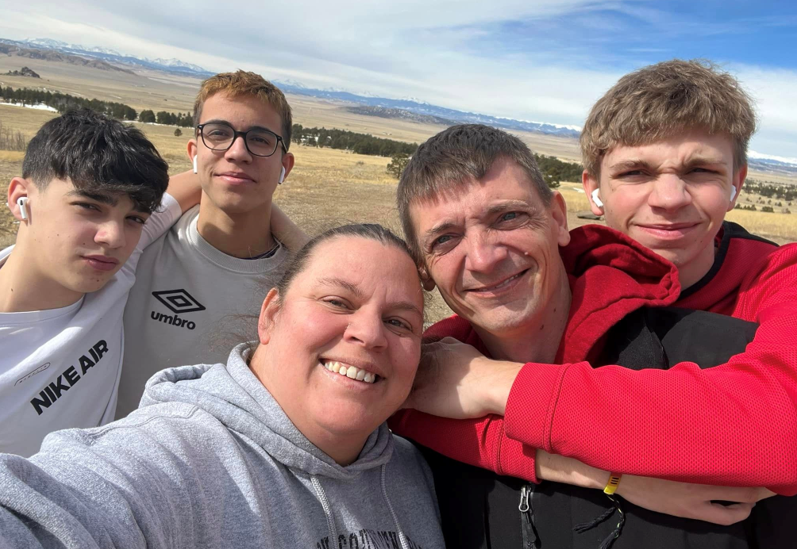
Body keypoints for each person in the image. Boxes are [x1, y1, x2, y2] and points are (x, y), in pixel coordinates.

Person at [392, 61, 797, 497]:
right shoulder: (539, 289)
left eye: (700, 171)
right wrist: (585, 471)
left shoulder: (778, 279)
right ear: (594, 190)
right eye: (635, 173)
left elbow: (783, 432)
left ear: (736, 183)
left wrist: (493, 382)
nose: (668, 199)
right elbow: (397, 396)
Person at [0, 224, 444, 549]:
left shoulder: (416, 470)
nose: (369, 334)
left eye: (398, 322)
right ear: (270, 315)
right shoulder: (179, 460)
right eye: (336, 302)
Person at [0, 108, 200, 457]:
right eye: (89, 207)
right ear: (21, 199)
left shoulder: (112, 274)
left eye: (134, 218)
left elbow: (213, 179)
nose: (114, 237)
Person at [118, 70, 306, 418]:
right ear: (194, 152)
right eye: (218, 134)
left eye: (261, 139)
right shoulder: (132, 244)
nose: (238, 152)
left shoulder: (301, 286)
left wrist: (311, 255)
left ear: (285, 165)